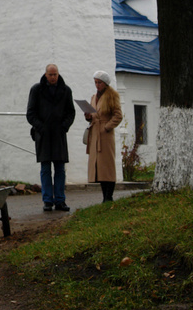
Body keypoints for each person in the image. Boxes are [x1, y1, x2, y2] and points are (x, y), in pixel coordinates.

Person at [26, 63, 76, 212]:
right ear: (46, 75)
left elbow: (71, 112)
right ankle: (47, 200)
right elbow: (30, 113)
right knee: (45, 168)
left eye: (55, 74)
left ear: (58, 74)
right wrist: (40, 127)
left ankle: (60, 200)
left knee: (60, 169)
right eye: (51, 74)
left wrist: (64, 127)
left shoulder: (65, 90)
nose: (53, 77)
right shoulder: (37, 90)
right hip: (43, 135)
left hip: (59, 135)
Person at [84, 70, 123, 202]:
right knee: (99, 166)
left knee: (107, 166)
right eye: (95, 82)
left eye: (99, 82)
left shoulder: (112, 96)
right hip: (95, 133)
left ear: (105, 83)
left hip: (105, 136)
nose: (97, 85)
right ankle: (104, 196)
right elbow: (93, 115)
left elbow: (118, 115)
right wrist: (88, 116)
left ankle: (109, 196)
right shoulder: (93, 97)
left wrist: (107, 126)